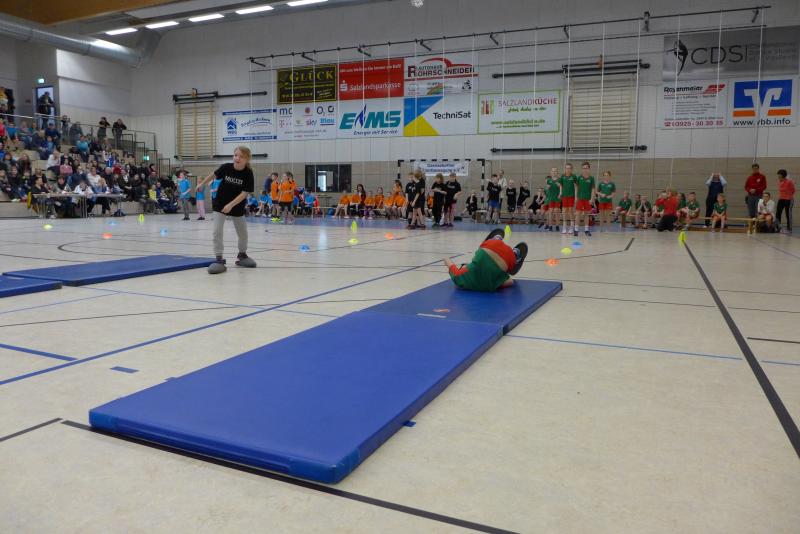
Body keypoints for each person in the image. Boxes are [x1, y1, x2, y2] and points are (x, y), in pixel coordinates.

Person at [195, 146, 257, 274]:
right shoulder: (226, 167)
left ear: (247, 159)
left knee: (243, 233)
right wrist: (202, 183)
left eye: (241, 156)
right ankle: (219, 258)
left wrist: (231, 205)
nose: (237, 158)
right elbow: (214, 174)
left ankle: (242, 255)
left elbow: (244, 193)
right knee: (217, 231)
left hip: (237, 206)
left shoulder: (248, 173)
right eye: (235, 155)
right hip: (220, 204)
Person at [444, 229, 528, 292]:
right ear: (464, 268)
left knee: (507, 262)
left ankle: (515, 254)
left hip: (507, 258)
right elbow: (450, 264)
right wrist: (446, 259)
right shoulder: (461, 277)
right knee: (485, 250)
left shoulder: (490, 285)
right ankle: (496, 238)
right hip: (488, 247)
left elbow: (510, 282)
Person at [575, 162, 596, 236]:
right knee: (578, 214)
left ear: (589, 169)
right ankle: (576, 230)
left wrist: (592, 199)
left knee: (586, 215)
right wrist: (576, 197)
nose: (585, 169)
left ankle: (586, 230)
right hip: (580, 199)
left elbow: (593, 189)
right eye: (583, 168)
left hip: (587, 199)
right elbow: (576, 187)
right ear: (582, 169)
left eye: (586, 168)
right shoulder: (579, 178)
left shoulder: (591, 178)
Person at [559, 163, 577, 234]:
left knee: (571, 211)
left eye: (569, 168)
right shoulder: (562, 176)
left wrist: (576, 196)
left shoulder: (574, 176)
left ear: (571, 169)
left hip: (571, 196)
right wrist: (560, 193)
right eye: (566, 168)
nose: (568, 169)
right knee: (564, 211)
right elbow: (561, 185)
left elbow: (576, 187)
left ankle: (571, 227)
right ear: (565, 169)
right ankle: (564, 227)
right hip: (564, 196)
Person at [776, 169, 794, 234]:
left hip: (789, 199)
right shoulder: (779, 182)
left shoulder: (789, 182)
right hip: (781, 199)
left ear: (783, 176)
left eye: (779, 176)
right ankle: (778, 227)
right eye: (778, 175)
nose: (778, 177)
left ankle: (789, 229)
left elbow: (793, 190)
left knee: (788, 214)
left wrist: (788, 196)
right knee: (778, 213)